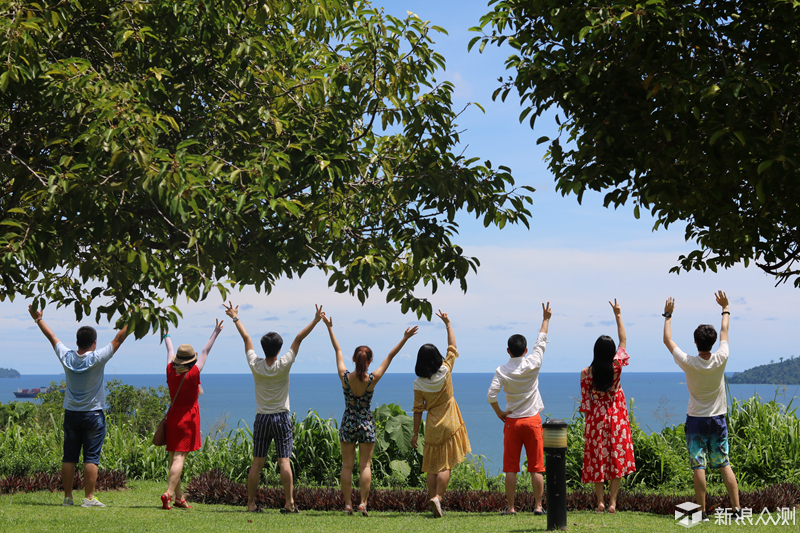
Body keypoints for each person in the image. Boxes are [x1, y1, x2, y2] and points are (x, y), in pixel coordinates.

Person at [224, 301, 323, 513]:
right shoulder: (283, 364)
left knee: (257, 463)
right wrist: (315, 320)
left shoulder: (256, 365)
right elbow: (298, 338)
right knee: (284, 462)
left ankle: (251, 504)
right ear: (279, 349)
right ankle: (289, 503)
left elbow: (246, 338)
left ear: (263, 348)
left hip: (262, 418)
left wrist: (235, 317)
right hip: (281, 418)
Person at [28, 303, 129, 508]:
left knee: (69, 456)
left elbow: (52, 337)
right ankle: (89, 498)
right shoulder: (98, 358)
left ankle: (67, 498)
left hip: (71, 414)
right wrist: (134, 318)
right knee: (91, 457)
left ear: (76, 342)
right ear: (94, 342)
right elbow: (119, 338)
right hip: (93, 415)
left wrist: (38, 318)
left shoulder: (67, 356)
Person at [321, 313, 418, 516]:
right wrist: (405, 338)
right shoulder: (372, 379)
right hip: (365, 422)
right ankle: (363, 503)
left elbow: (337, 349)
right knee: (365, 465)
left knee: (347, 465)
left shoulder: (345, 377)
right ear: (370, 360)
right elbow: (390, 357)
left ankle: (348, 504)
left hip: (348, 421)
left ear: (354, 359)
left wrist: (330, 327)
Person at [663, 291, 741, 522]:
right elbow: (725, 330)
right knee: (724, 463)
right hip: (718, 419)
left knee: (699, 466)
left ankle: (702, 512)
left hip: (696, 419)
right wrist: (725, 308)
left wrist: (668, 315)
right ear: (713, 342)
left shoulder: (689, 362)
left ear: (695, 342)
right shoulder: (721, 357)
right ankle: (736, 510)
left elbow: (668, 340)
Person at [487, 302, 552, 516]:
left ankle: (512, 507)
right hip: (533, 420)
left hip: (512, 422)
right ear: (525, 350)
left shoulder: (502, 370)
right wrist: (545, 319)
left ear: (508, 351)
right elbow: (540, 342)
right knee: (536, 467)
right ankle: (538, 506)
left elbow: (491, 395)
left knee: (511, 468)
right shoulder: (533, 363)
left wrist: (499, 413)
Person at [411, 310, 471, 518]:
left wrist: (414, 433)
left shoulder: (418, 384)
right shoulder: (445, 371)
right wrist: (447, 323)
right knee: (446, 464)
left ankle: (432, 498)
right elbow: (452, 348)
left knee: (431, 466)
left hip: (432, 424)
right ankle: (439, 499)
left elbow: (418, 410)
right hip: (449, 420)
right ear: (437, 358)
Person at [160, 319, 224, 510]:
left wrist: (166, 333)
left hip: (172, 416)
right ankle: (169, 494)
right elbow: (205, 351)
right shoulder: (194, 372)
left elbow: (169, 349)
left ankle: (180, 498)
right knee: (179, 458)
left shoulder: (170, 370)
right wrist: (216, 331)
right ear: (191, 360)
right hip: (188, 418)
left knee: (173, 458)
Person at [579, 299, 636, 513]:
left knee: (598, 461)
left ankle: (600, 502)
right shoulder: (617, 367)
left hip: (596, 420)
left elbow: (585, 403)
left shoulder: (586, 373)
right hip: (617, 417)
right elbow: (623, 340)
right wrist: (618, 315)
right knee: (616, 460)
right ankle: (613, 503)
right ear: (612, 352)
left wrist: (589, 427)